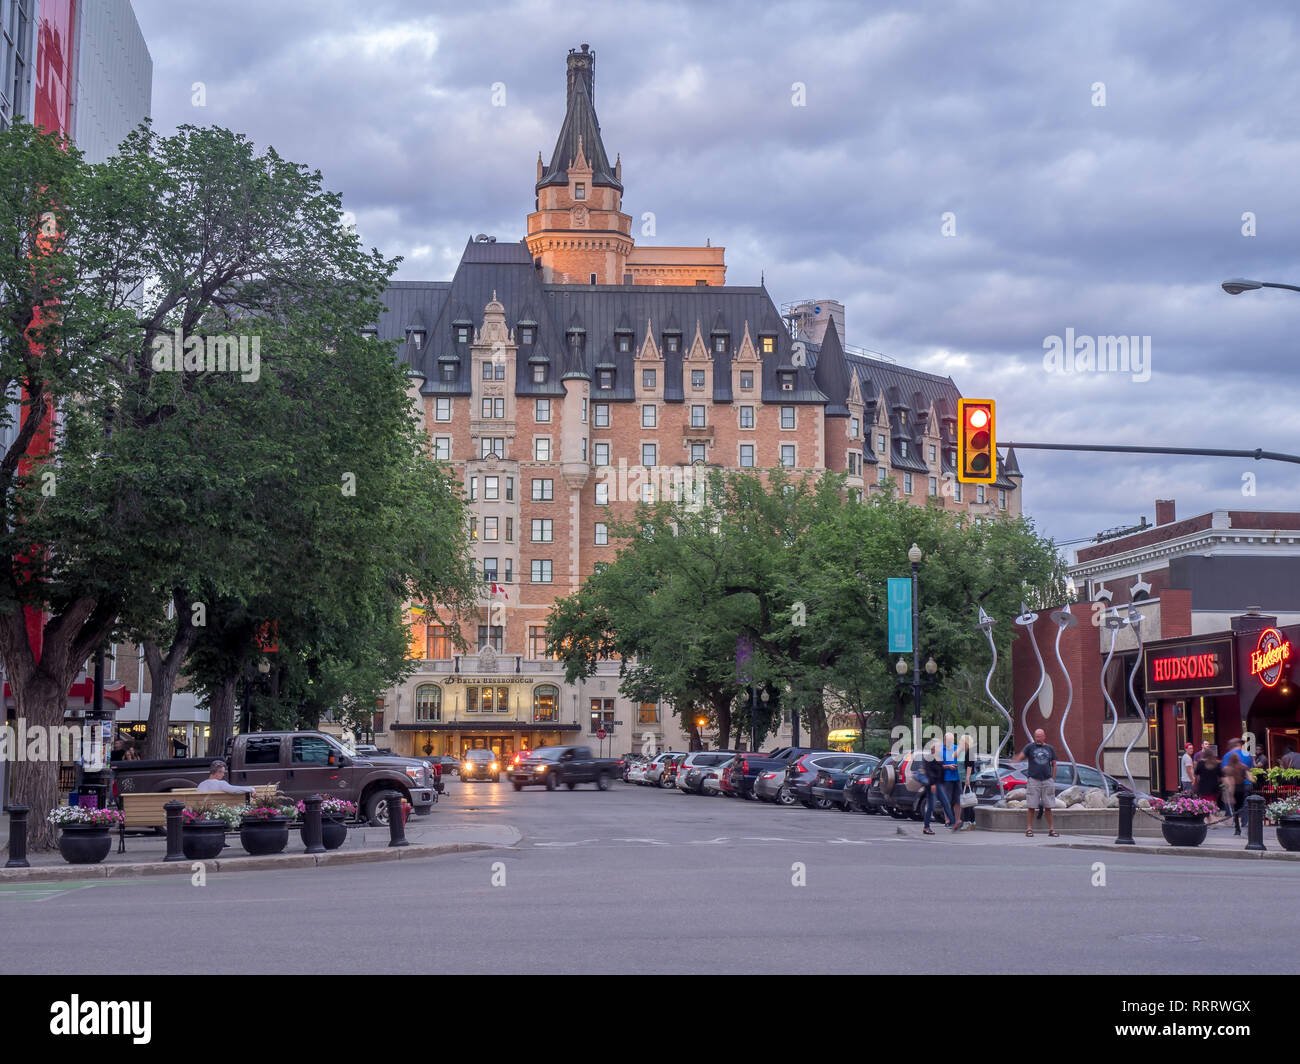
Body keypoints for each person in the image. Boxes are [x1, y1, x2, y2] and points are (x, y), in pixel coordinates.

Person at [1016, 728, 1058, 837]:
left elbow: (1054, 764)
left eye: (1039, 736)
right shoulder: (1030, 747)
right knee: (1031, 806)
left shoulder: (1050, 748)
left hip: (1047, 780)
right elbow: (1021, 756)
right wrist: (1016, 759)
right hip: (1034, 780)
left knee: (1048, 806)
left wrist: (1052, 779)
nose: (1038, 739)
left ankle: (1051, 829)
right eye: (1036, 737)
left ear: (1044, 736)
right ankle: (1029, 829)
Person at [921, 738, 957, 835]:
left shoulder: (938, 756)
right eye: (939, 746)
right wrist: (932, 784)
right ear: (933, 747)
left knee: (945, 803)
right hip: (932, 785)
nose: (941, 748)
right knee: (931, 806)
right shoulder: (929, 757)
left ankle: (953, 823)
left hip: (938, 783)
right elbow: (928, 771)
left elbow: (939, 768)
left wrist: (948, 766)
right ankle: (926, 827)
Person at [1222, 738, 1255, 835]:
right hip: (1246, 785)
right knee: (1245, 804)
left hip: (1235, 786)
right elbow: (1250, 770)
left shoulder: (1227, 755)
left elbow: (1225, 773)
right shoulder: (1247, 754)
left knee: (1236, 807)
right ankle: (1245, 822)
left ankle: (1237, 827)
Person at [955, 733, 979, 829]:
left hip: (968, 779)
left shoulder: (970, 752)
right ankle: (972, 822)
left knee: (966, 801)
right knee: (967, 800)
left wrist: (967, 778)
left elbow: (969, 766)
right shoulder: (962, 751)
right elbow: (954, 756)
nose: (959, 742)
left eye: (961, 741)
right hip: (962, 778)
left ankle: (967, 822)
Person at [1195, 746, 1222, 811]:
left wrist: (1196, 785)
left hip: (1203, 785)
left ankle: (1208, 816)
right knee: (1214, 801)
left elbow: (1196, 774)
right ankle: (1214, 814)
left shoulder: (1200, 763)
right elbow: (1220, 775)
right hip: (1214, 786)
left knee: (1204, 803)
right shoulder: (1216, 763)